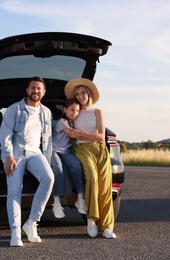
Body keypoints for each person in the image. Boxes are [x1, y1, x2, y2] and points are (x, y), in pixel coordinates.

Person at [0, 76, 54, 247]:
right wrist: (8, 156)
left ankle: (31, 223)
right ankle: (15, 232)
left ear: (43, 92)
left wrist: (48, 160)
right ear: (27, 90)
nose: (35, 91)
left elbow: (48, 139)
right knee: (15, 190)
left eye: (39, 88)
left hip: (36, 152)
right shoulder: (14, 109)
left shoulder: (46, 112)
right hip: (16, 152)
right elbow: (5, 134)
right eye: (33, 88)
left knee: (49, 178)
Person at [64, 78, 117, 239]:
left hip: (100, 150)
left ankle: (107, 227)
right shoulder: (75, 113)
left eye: (83, 93)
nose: (80, 96)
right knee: (92, 178)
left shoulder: (97, 112)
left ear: (89, 95)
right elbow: (66, 130)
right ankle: (91, 219)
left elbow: (101, 137)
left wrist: (80, 133)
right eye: (77, 94)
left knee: (105, 186)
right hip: (82, 149)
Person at [50, 98, 87, 218]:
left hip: (65, 152)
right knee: (58, 169)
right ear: (65, 110)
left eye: (77, 111)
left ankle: (80, 199)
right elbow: (71, 133)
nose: (74, 113)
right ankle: (56, 203)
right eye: (72, 110)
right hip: (53, 151)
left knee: (76, 166)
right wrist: (87, 133)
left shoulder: (74, 123)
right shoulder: (62, 121)